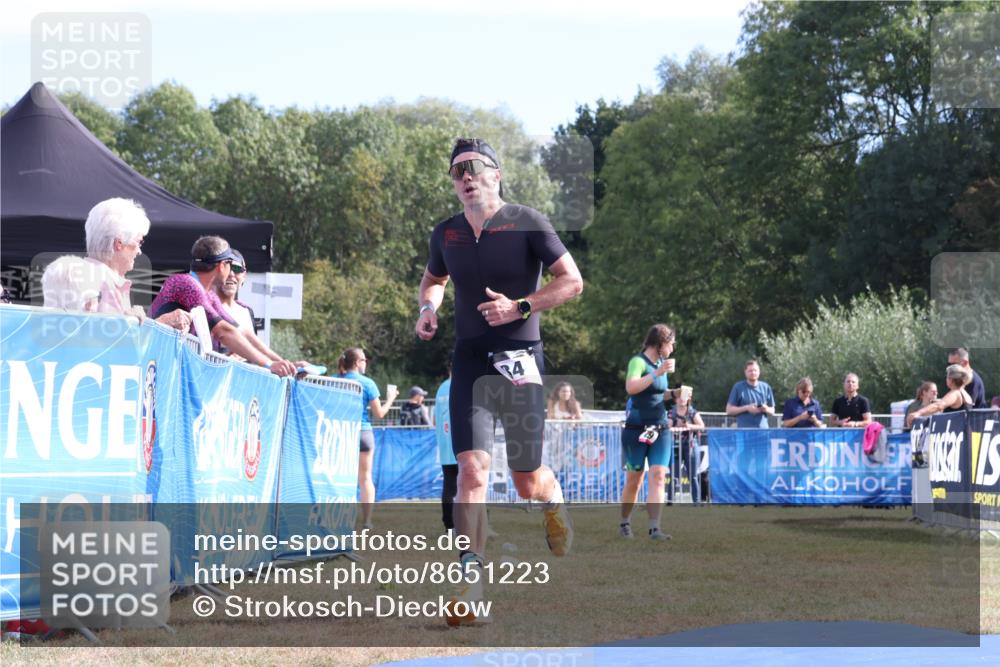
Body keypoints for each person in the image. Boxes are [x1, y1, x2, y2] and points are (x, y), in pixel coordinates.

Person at [414, 137, 583, 624]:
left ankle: (552, 498)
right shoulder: (446, 234)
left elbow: (572, 281)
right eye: (456, 171)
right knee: (471, 471)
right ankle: (470, 586)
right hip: (470, 359)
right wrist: (428, 309)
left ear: (495, 174)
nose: (464, 176)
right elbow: (433, 280)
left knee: (526, 480)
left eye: (472, 167)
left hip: (520, 359)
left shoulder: (528, 222)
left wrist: (521, 305)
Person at [150, 236, 296, 377]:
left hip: (167, 368)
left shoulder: (208, 294)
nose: (232, 273)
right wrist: (269, 365)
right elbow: (223, 332)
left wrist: (283, 363)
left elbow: (240, 331)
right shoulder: (187, 284)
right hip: (158, 368)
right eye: (230, 266)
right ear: (222, 266)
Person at [41, 198, 190, 331]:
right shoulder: (97, 282)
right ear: (119, 244)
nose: (139, 251)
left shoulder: (80, 274)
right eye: (139, 242)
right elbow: (107, 344)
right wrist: (159, 324)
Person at [619, 323, 684, 541]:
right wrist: (658, 372)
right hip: (636, 428)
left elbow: (657, 394)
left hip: (661, 427)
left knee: (658, 475)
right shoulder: (638, 362)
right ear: (660, 343)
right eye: (671, 344)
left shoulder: (660, 365)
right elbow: (631, 387)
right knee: (634, 479)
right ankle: (625, 522)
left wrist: (675, 393)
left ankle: (655, 528)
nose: (672, 349)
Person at [337, 347, 399, 530]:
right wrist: (391, 399)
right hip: (363, 433)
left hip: (341, 432)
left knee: (340, 477)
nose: (366, 363)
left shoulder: (333, 380)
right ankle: (367, 521)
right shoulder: (368, 383)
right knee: (365, 478)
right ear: (357, 363)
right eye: (364, 360)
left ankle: (339, 518)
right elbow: (379, 413)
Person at [668, 392, 708, 502]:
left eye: (684, 397)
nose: (682, 400)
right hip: (675, 445)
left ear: (689, 399)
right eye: (679, 397)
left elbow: (702, 427)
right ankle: (670, 501)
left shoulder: (692, 412)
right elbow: (668, 426)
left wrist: (689, 426)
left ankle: (696, 501)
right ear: (675, 400)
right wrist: (676, 427)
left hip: (691, 445)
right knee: (673, 475)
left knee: (693, 476)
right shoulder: (672, 412)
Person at [906, 365, 973, 427]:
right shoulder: (966, 395)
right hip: (965, 434)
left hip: (956, 435)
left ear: (951, 380)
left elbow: (939, 406)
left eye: (947, 377)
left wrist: (918, 413)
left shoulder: (955, 393)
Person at [435, 357, 456, 532]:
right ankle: (478, 524)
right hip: (463, 444)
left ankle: (449, 525)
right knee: (473, 486)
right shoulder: (463, 385)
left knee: (449, 486)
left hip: (445, 445)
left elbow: (435, 419)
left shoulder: (441, 388)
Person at [725, 359, 775, 428]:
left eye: (755, 370)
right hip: (744, 432)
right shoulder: (738, 387)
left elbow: (772, 411)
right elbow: (729, 410)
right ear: (745, 372)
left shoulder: (766, 387)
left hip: (763, 432)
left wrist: (766, 409)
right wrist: (747, 408)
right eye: (750, 371)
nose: (753, 373)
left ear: (759, 372)